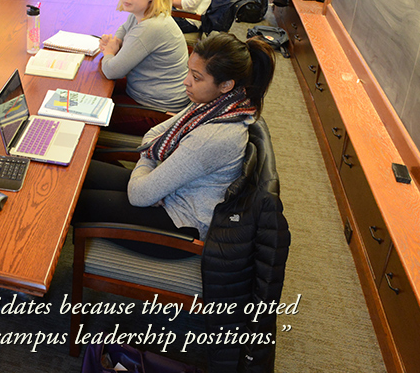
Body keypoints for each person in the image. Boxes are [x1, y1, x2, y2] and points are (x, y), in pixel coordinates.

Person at [74, 34, 275, 258]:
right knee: (76, 171)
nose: (186, 81)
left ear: (226, 85)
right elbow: (152, 134)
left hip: (178, 225)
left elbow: (139, 195)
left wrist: (149, 172)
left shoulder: (214, 135)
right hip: (170, 189)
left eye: (197, 77)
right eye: (189, 71)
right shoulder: (216, 104)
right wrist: (152, 169)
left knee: (71, 201)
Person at [97, 0, 190, 113]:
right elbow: (124, 28)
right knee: (96, 86)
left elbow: (111, 71)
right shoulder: (145, 13)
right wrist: (116, 42)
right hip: (150, 94)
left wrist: (108, 52)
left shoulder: (150, 27)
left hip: (157, 108)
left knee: (95, 104)